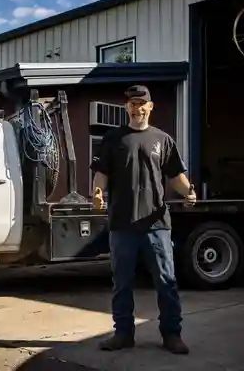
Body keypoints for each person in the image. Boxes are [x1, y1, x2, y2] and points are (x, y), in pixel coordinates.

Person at [91, 85, 196, 354]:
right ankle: (123, 334)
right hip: (122, 225)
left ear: (150, 107)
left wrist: (189, 192)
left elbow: (175, 176)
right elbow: (102, 173)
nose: (136, 107)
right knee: (122, 283)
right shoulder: (113, 139)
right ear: (127, 107)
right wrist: (97, 193)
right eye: (131, 103)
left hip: (156, 224)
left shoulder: (162, 139)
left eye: (141, 103)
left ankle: (172, 335)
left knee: (166, 282)